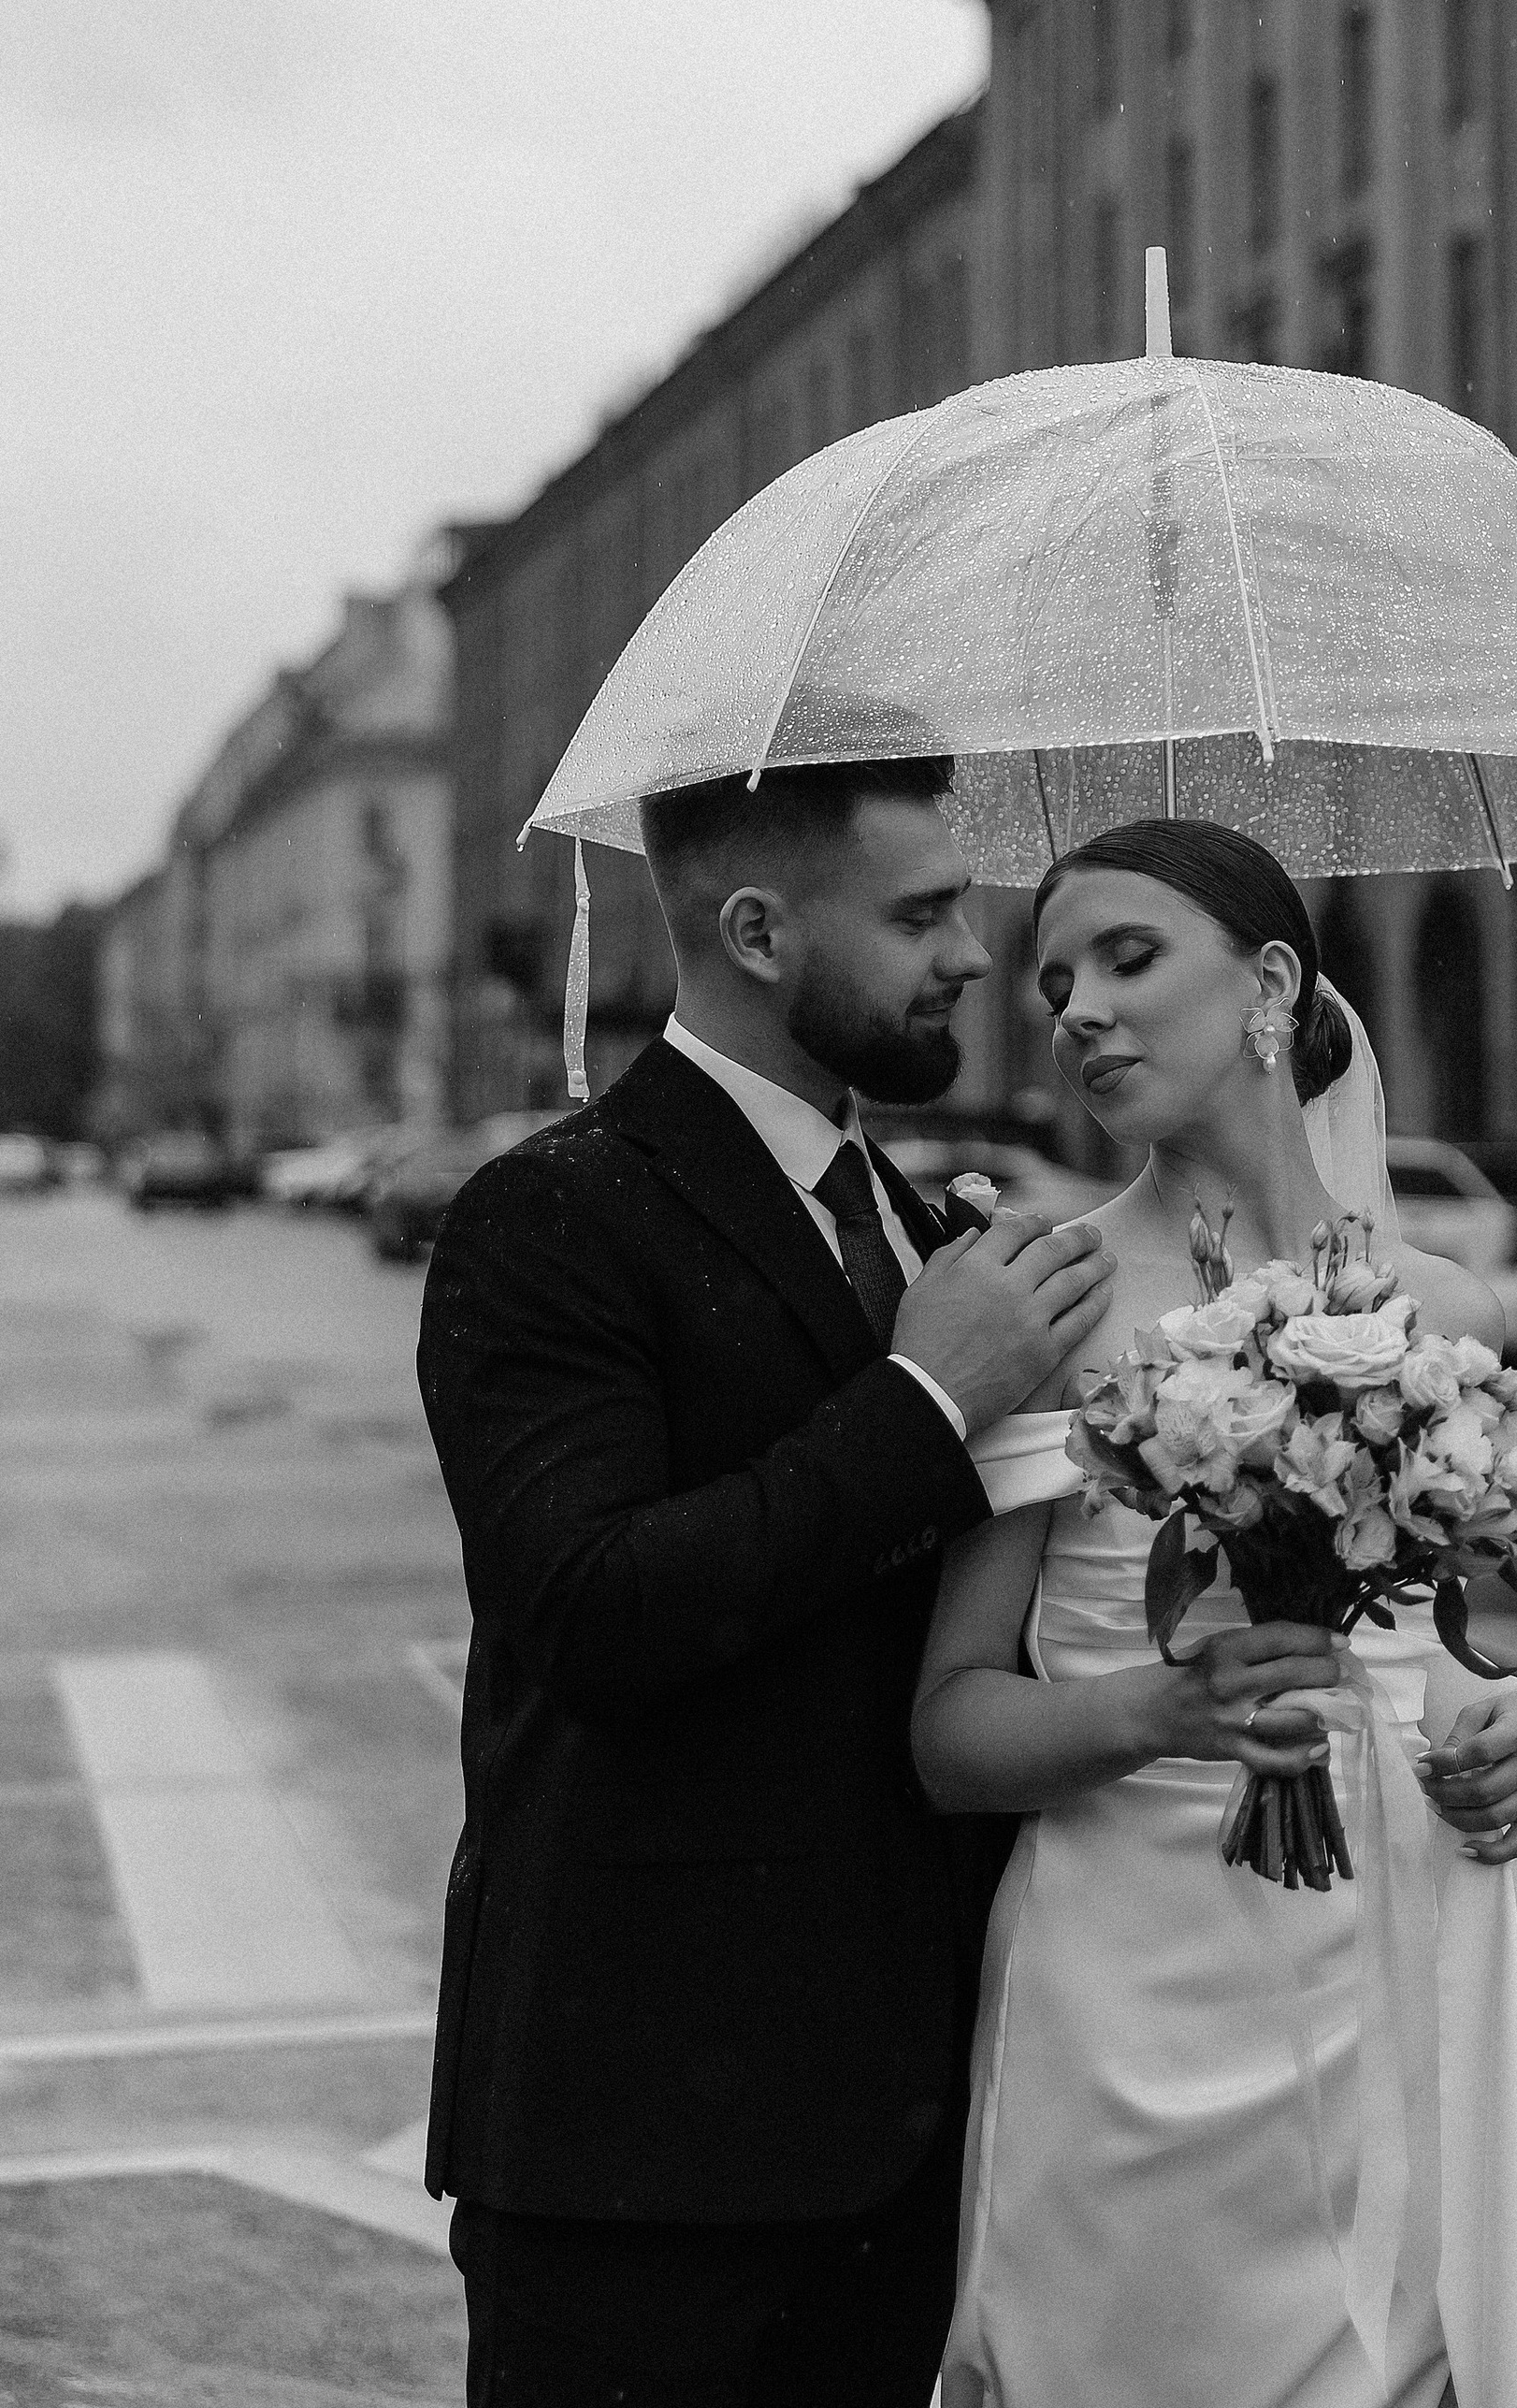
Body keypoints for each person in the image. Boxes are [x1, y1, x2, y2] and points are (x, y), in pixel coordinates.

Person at [917, 820, 1517, 2408]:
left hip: (1396, 1972)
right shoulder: (1041, 1304)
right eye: (1055, 979)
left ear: (1272, 985)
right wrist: (1160, 1711)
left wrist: (1513, 1724)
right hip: (1122, 2014)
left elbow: (1426, 1651)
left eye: (1128, 958)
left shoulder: (1441, 1317)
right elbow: (951, 1729)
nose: (1075, 1007)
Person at [420, 750, 1123, 2408]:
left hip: (915, 2127)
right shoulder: (552, 1217)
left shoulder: (927, 1227)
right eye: (922, 913)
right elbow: (593, 1612)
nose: (973, 951)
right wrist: (926, 1402)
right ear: (753, 930)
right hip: (642, 2153)